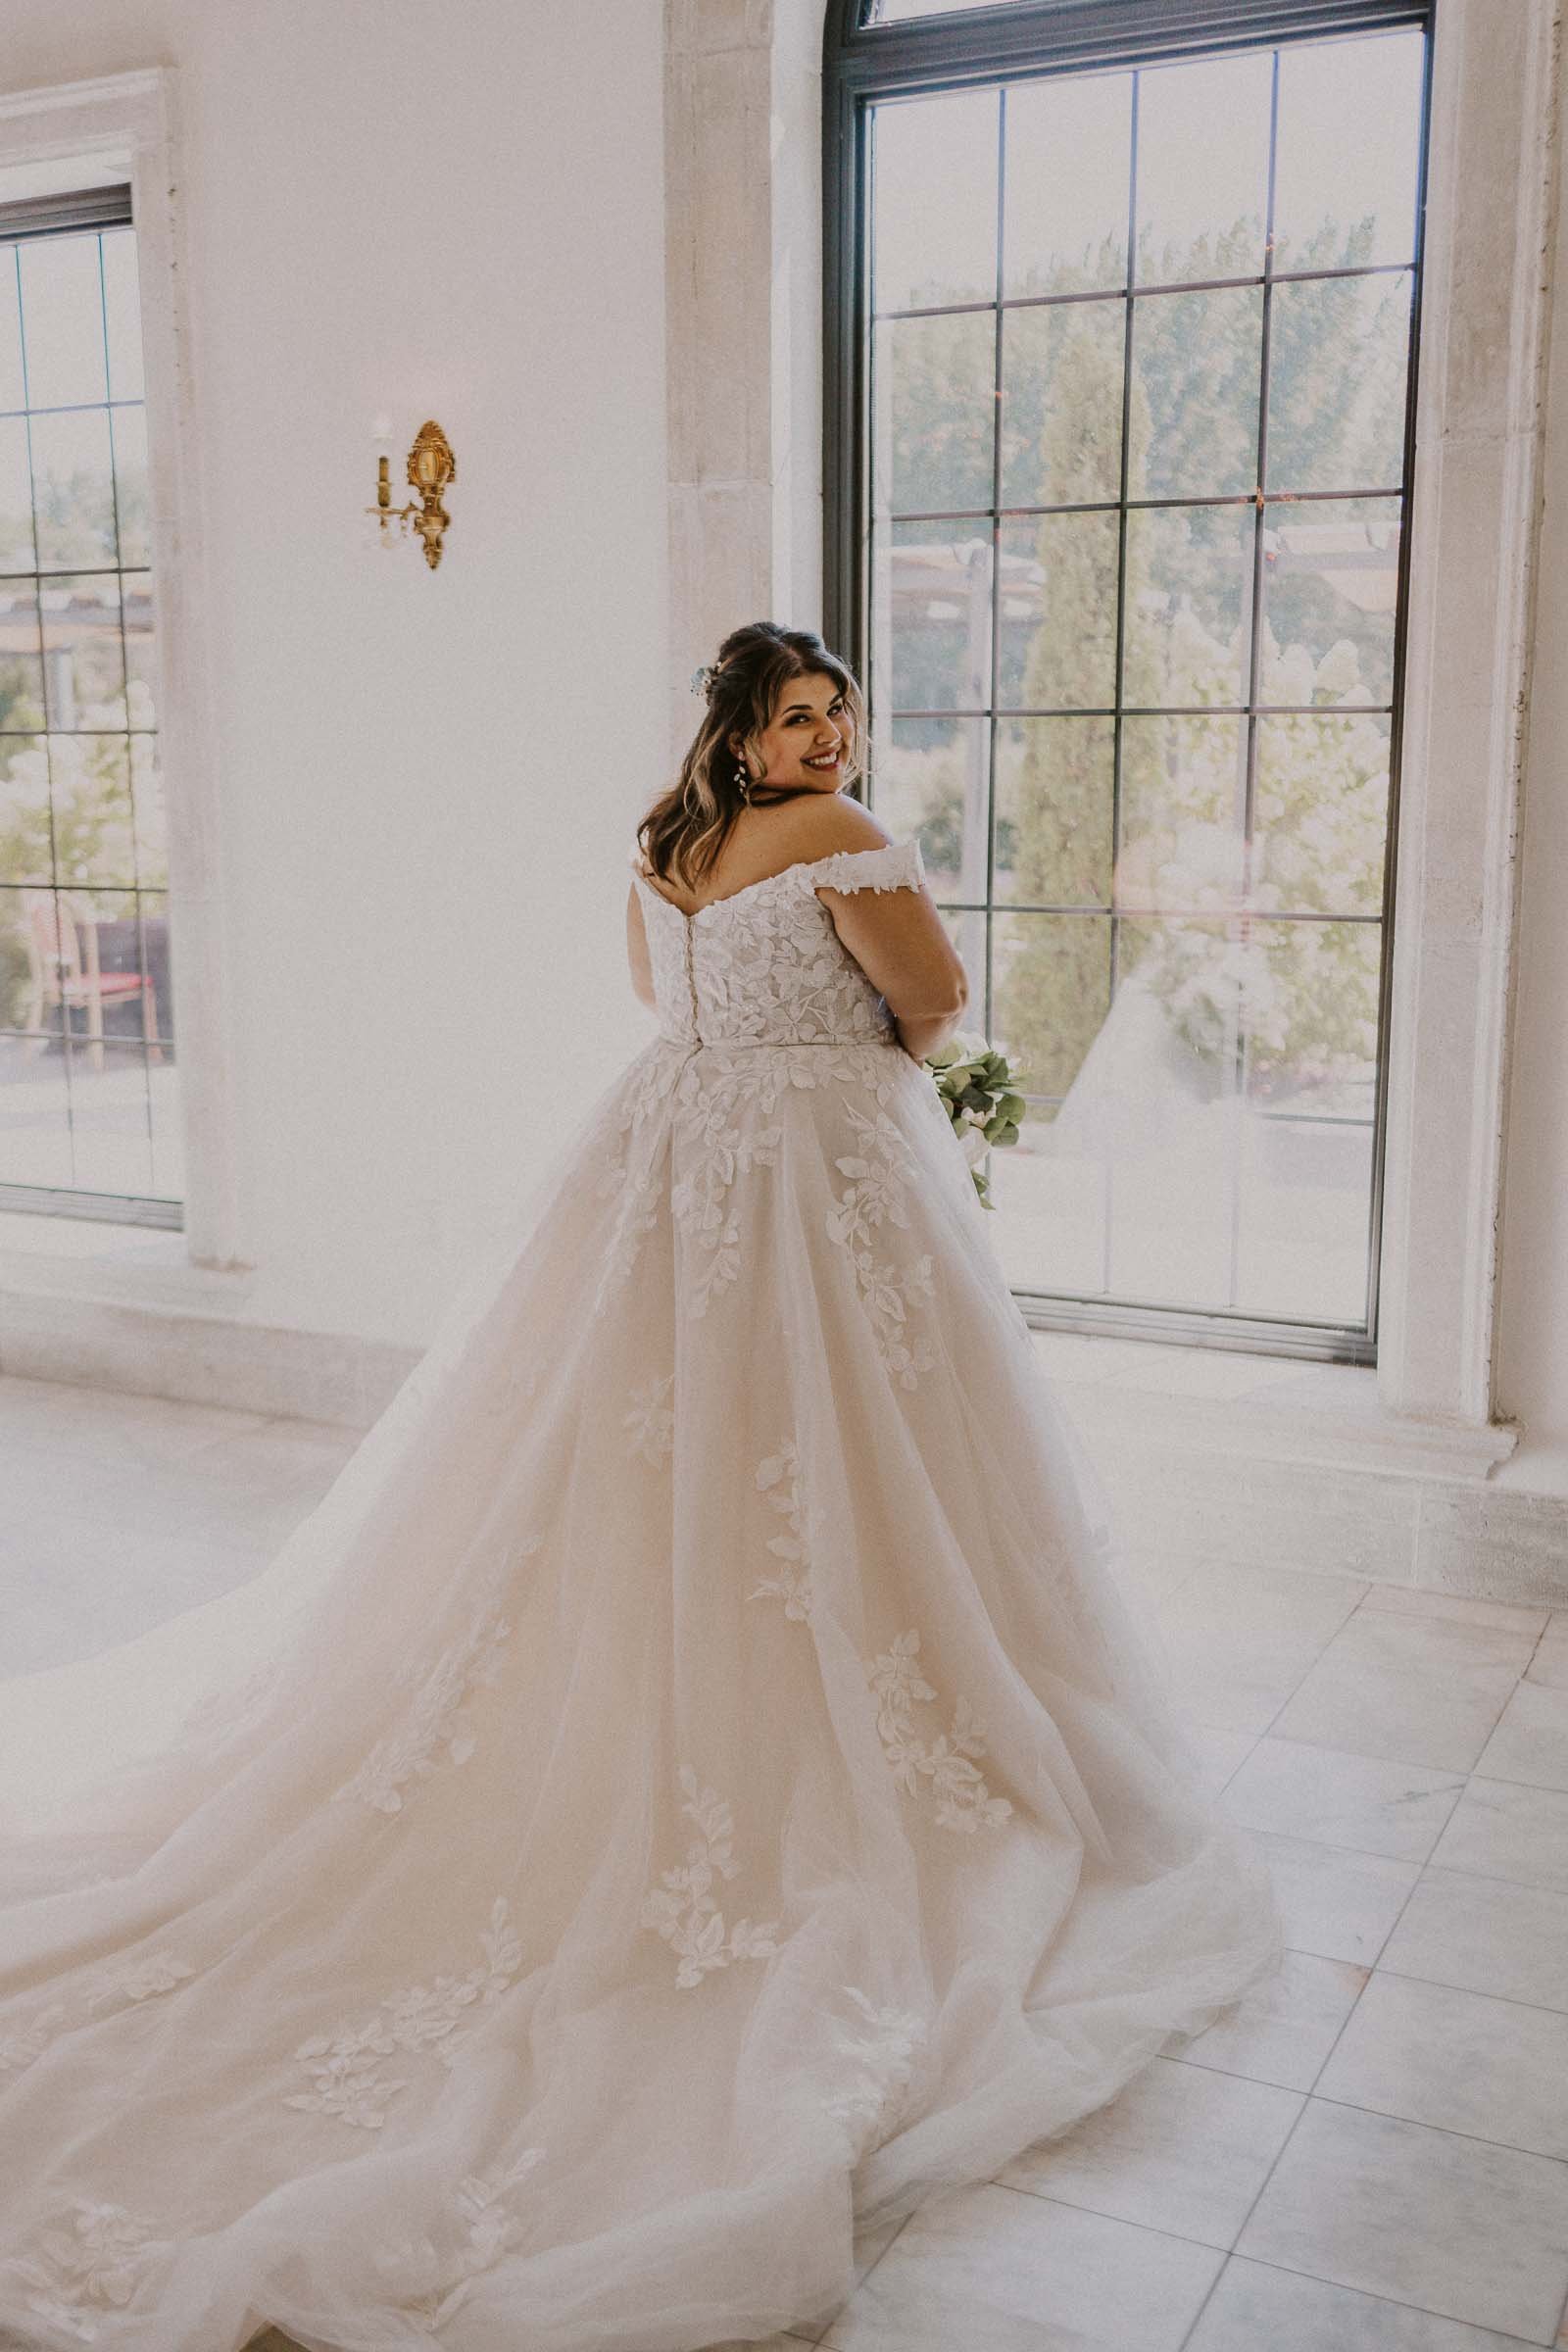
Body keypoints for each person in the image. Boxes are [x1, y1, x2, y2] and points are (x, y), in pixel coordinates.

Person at [0, 620, 1285, 2352]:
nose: (828, 741)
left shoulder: (662, 850)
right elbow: (939, 999)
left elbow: (646, 993)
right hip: (819, 1168)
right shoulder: (839, 844)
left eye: (839, 714)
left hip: (674, 1156)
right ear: (743, 735)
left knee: (657, 1459)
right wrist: (851, 1045)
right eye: (797, 717)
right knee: (854, 1461)